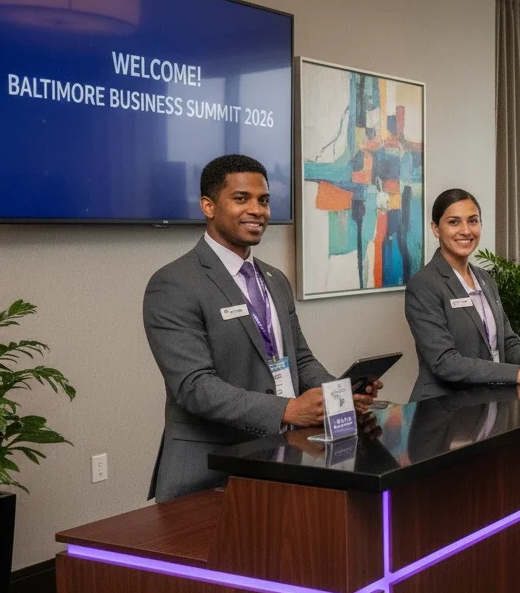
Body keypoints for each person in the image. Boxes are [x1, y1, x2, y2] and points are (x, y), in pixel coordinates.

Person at [143, 154, 381, 502]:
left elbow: (300, 360)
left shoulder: (275, 279)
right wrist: (287, 410)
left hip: (279, 458)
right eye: (242, 199)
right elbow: (195, 387)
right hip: (207, 472)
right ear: (208, 206)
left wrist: (341, 393)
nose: (257, 210)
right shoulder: (174, 284)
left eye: (264, 200)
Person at [405, 188, 520, 401]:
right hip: (444, 408)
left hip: (487, 402)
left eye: (473, 221)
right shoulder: (424, 284)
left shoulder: (485, 278)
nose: (465, 230)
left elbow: (508, 344)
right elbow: (445, 362)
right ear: (436, 229)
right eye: (454, 222)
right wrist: (518, 373)